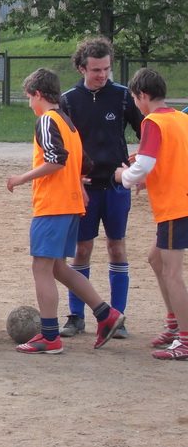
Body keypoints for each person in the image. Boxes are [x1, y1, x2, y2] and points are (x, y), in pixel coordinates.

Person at [7, 68, 125, 353]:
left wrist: (22, 178)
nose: (30, 104)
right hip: (70, 204)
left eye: (29, 98)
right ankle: (105, 313)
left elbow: (56, 159)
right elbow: (85, 164)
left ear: (38, 94)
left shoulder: (47, 120)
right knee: (59, 267)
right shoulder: (66, 121)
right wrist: (77, 182)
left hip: (53, 204)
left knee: (41, 267)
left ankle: (49, 336)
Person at [59, 36, 142, 338]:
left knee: (116, 248)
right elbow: (61, 146)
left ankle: (117, 317)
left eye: (106, 68)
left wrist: (139, 163)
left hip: (116, 188)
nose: (102, 74)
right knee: (81, 250)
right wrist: (73, 178)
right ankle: (76, 316)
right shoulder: (68, 100)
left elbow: (148, 131)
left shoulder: (122, 96)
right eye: (96, 70)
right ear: (82, 68)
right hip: (85, 189)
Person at [115, 68, 188, 359]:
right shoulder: (181, 118)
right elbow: (171, 157)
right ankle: (174, 324)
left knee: (172, 273)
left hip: (174, 206)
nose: (136, 104)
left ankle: (185, 339)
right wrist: (147, 174)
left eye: (135, 99)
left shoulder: (152, 122)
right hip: (179, 203)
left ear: (142, 95)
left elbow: (144, 164)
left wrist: (125, 176)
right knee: (155, 259)